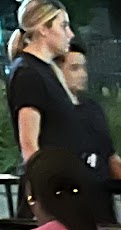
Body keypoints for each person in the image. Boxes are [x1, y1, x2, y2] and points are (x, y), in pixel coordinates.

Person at [5, 1, 78, 174]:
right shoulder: (27, 73)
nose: (70, 34)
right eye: (63, 26)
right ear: (43, 29)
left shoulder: (45, 70)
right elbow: (29, 147)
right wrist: (50, 184)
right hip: (52, 185)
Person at [58, 39, 121, 213]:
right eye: (74, 68)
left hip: (100, 203)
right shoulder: (53, 113)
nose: (83, 74)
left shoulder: (93, 109)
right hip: (70, 207)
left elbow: (109, 154)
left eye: (84, 68)